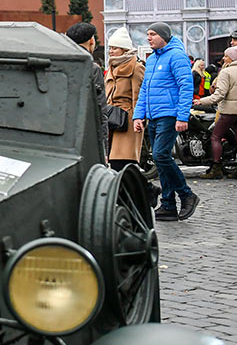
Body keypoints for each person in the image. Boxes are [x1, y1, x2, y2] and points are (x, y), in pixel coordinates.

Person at [133, 22, 199, 222]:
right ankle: (168, 205)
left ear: (164, 36)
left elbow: (186, 87)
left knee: (161, 155)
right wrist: (139, 115)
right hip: (153, 116)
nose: (148, 38)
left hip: (169, 115)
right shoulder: (152, 59)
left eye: (153, 34)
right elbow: (145, 90)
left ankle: (186, 194)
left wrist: (182, 117)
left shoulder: (177, 56)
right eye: (148, 34)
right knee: (160, 160)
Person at [194, 45, 237, 179]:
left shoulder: (226, 73)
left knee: (215, 136)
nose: (223, 58)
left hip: (228, 110)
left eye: (226, 56)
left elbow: (219, 95)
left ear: (231, 58)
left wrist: (201, 101)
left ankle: (216, 168)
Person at [64, 22, 108, 163]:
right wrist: (104, 149)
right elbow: (100, 111)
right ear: (91, 40)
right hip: (87, 135)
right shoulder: (92, 68)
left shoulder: (63, 64)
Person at [104, 28, 145, 172]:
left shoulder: (136, 67)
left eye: (115, 48)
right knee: (114, 163)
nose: (111, 51)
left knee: (124, 162)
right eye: (110, 48)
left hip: (127, 120)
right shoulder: (111, 67)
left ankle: (147, 190)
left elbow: (138, 96)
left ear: (124, 49)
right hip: (110, 118)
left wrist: (138, 118)